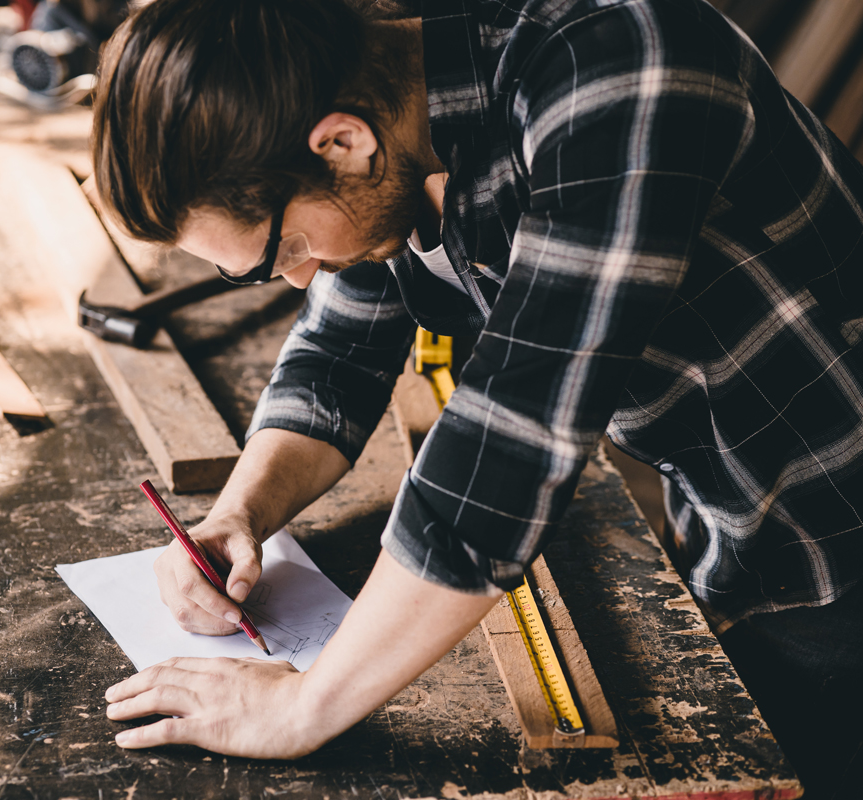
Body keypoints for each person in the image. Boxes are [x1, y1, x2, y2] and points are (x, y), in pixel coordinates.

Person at [90, 0, 863, 794]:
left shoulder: (615, 71)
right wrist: (238, 514)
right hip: (728, 510)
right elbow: (336, 356)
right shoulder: (386, 119)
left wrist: (301, 710)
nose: (294, 278)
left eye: (279, 251)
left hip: (839, 527)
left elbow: (509, 451)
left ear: (341, 143)